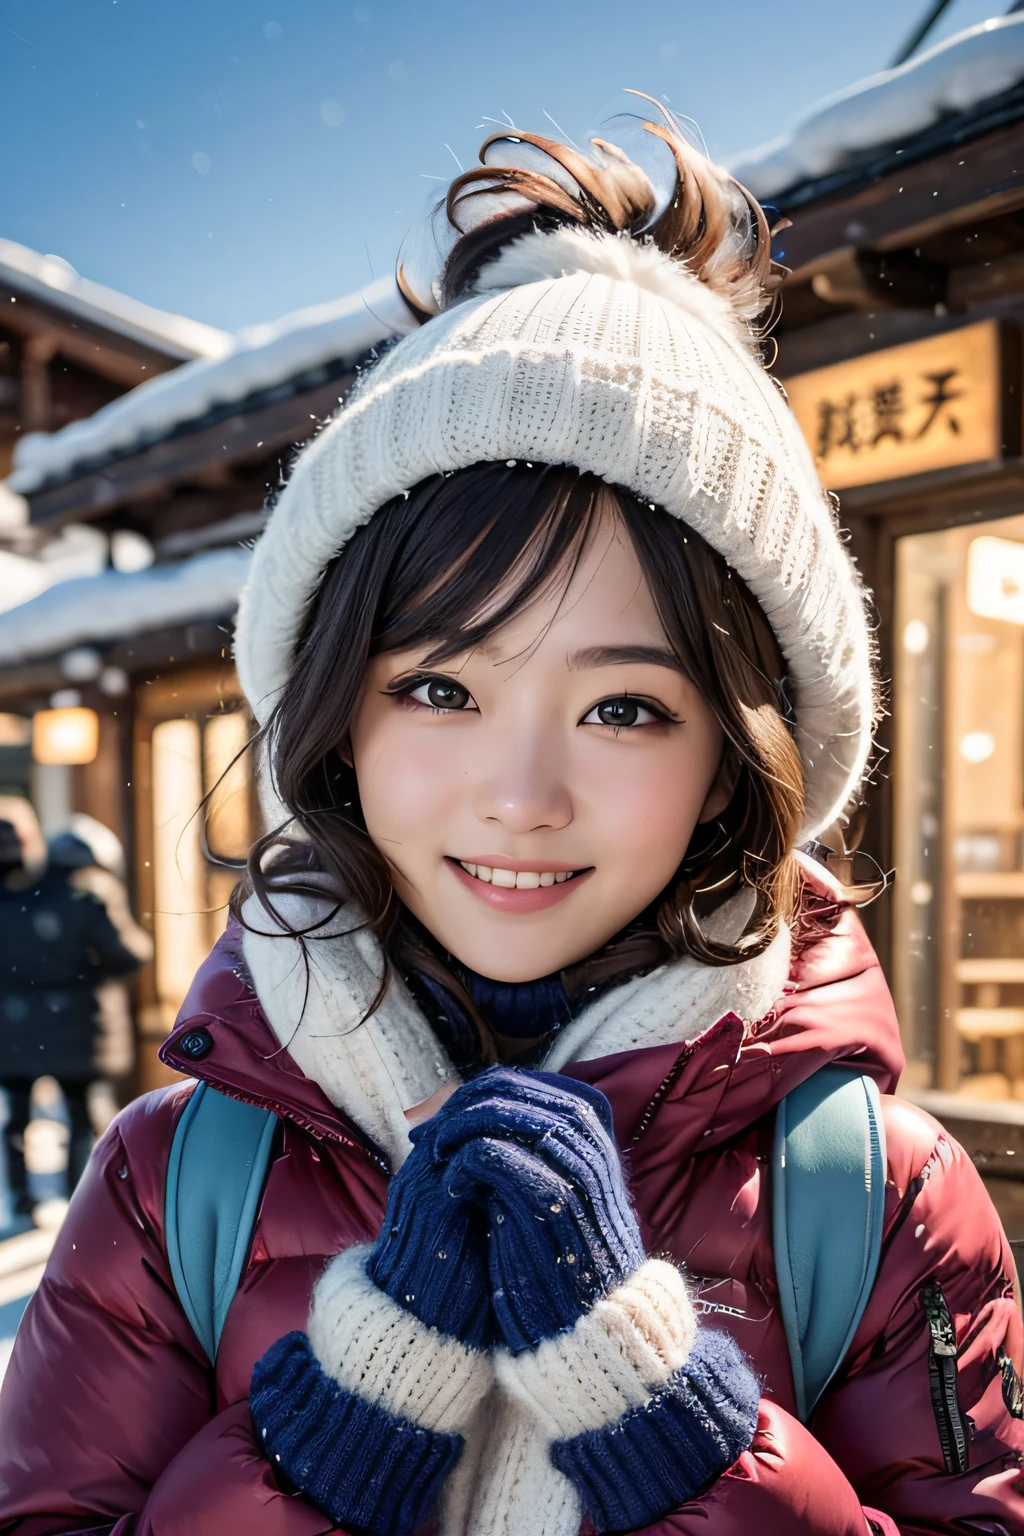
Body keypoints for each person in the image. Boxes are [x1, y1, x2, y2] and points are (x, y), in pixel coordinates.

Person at [0, 103, 1021, 1536]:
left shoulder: (878, 1195)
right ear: (334, 718)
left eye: (626, 708)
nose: (522, 795)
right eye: (438, 686)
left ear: (735, 758)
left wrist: (665, 1427)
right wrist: (340, 1429)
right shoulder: (178, 1184)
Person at [0, 798, 151, 1218]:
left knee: (17, 1118)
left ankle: (22, 1198)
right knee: (81, 1118)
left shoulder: (16, 895)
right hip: (81, 1025)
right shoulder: (91, 894)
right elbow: (129, 954)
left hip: (13, 1026)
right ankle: (77, 1199)